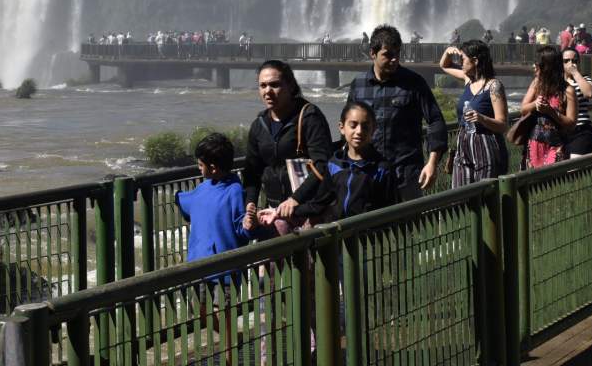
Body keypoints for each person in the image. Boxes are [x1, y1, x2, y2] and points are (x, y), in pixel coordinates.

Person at [347, 25, 447, 198]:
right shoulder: (358, 85)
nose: (394, 60)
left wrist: (432, 163)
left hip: (406, 175)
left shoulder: (414, 83)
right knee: (372, 224)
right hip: (368, 172)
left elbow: (436, 120)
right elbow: (348, 126)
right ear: (373, 53)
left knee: (407, 224)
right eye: (387, 55)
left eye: (397, 54)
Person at [241, 60, 334, 234]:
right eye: (262, 86)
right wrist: (250, 205)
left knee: (312, 260)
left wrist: (295, 199)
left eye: (274, 85)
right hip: (276, 212)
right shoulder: (259, 125)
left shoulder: (309, 117)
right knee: (278, 259)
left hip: (309, 212)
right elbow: (252, 172)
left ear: (290, 85)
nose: (267, 91)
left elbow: (323, 164)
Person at [439, 40, 509, 185]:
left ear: (475, 61)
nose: (460, 63)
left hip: (485, 143)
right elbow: (444, 65)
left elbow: (503, 125)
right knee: (459, 193)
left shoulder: (493, 86)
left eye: (463, 59)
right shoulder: (468, 80)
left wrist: (481, 118)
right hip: (463, 142)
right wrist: (448, 52)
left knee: (484, 193)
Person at [177, 132, 252, 264]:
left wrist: (176, 196)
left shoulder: (231, 191)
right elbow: (241, 228)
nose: (198, 168)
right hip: (212, 269)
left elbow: (183, 201)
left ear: (212, 169)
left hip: (213, 270)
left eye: (200, 165)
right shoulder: (232, 189)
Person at [518, 45, 577, 168]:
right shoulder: (536, 84)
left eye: (537, 64)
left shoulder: (567, 90)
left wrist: (551, 112)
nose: (534, 66)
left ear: (547, 67)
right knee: (533, 183)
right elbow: (523, 109)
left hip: (557, 146)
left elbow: (571, 123)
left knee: (553, 182)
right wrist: (535, 104)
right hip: (535, 143)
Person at [561, 48, 592, 156]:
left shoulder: (584, 78)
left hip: (581, 130)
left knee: (574, 168)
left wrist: (575, 73)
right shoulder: (557, 81)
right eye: (566, 61)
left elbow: (589, 93)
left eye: (574, 60)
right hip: (561, 133)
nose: (570, 63)